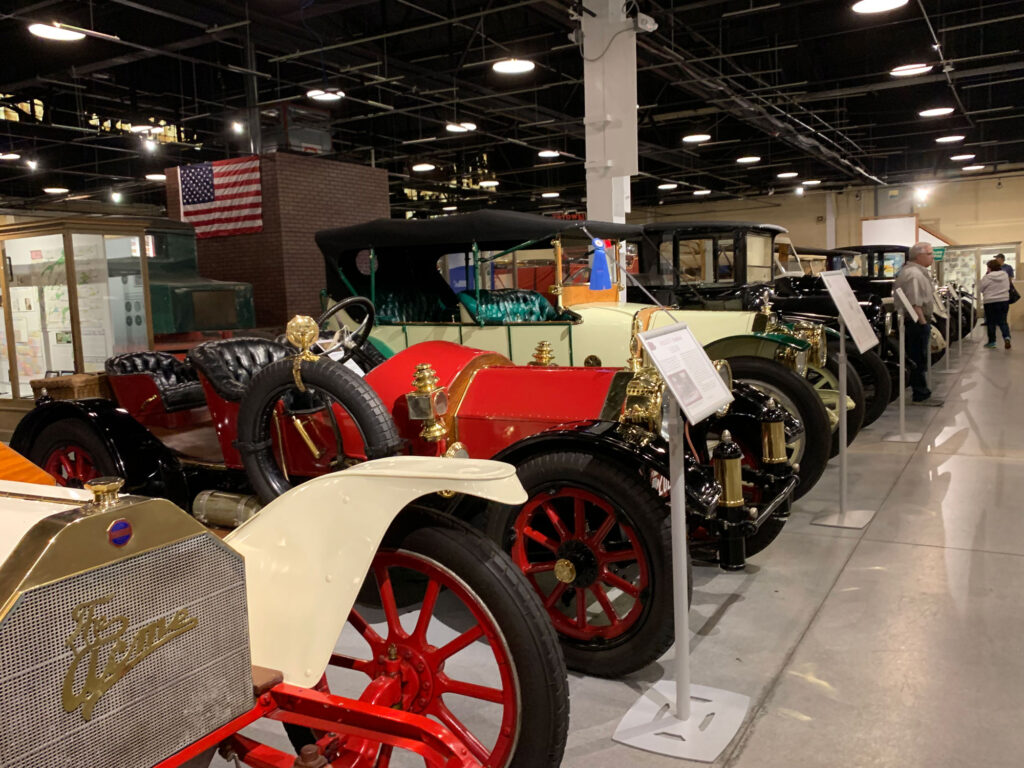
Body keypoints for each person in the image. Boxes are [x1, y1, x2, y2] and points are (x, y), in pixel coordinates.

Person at [893, 242, 936, 402]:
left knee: (918, 356)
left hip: (915, 321)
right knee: (917, 357)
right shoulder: (914, 274)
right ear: (919, 256)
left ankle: (921, 388)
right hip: (914, 321)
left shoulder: (916, 272)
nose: (932, 257)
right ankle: (919, 390)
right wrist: (923, 324)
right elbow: (914, 303)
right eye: (930, 253)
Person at [979, 259, 1012, 349]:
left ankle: (992, 342)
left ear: (989, 268)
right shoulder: (1005, 275)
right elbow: (1008, 287)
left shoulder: (987, 277)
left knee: (991, 322)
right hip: (1004, 301)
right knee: (1003, 322)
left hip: (990, 302)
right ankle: (1007, 337)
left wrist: (986, 275)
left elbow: (981, 288)